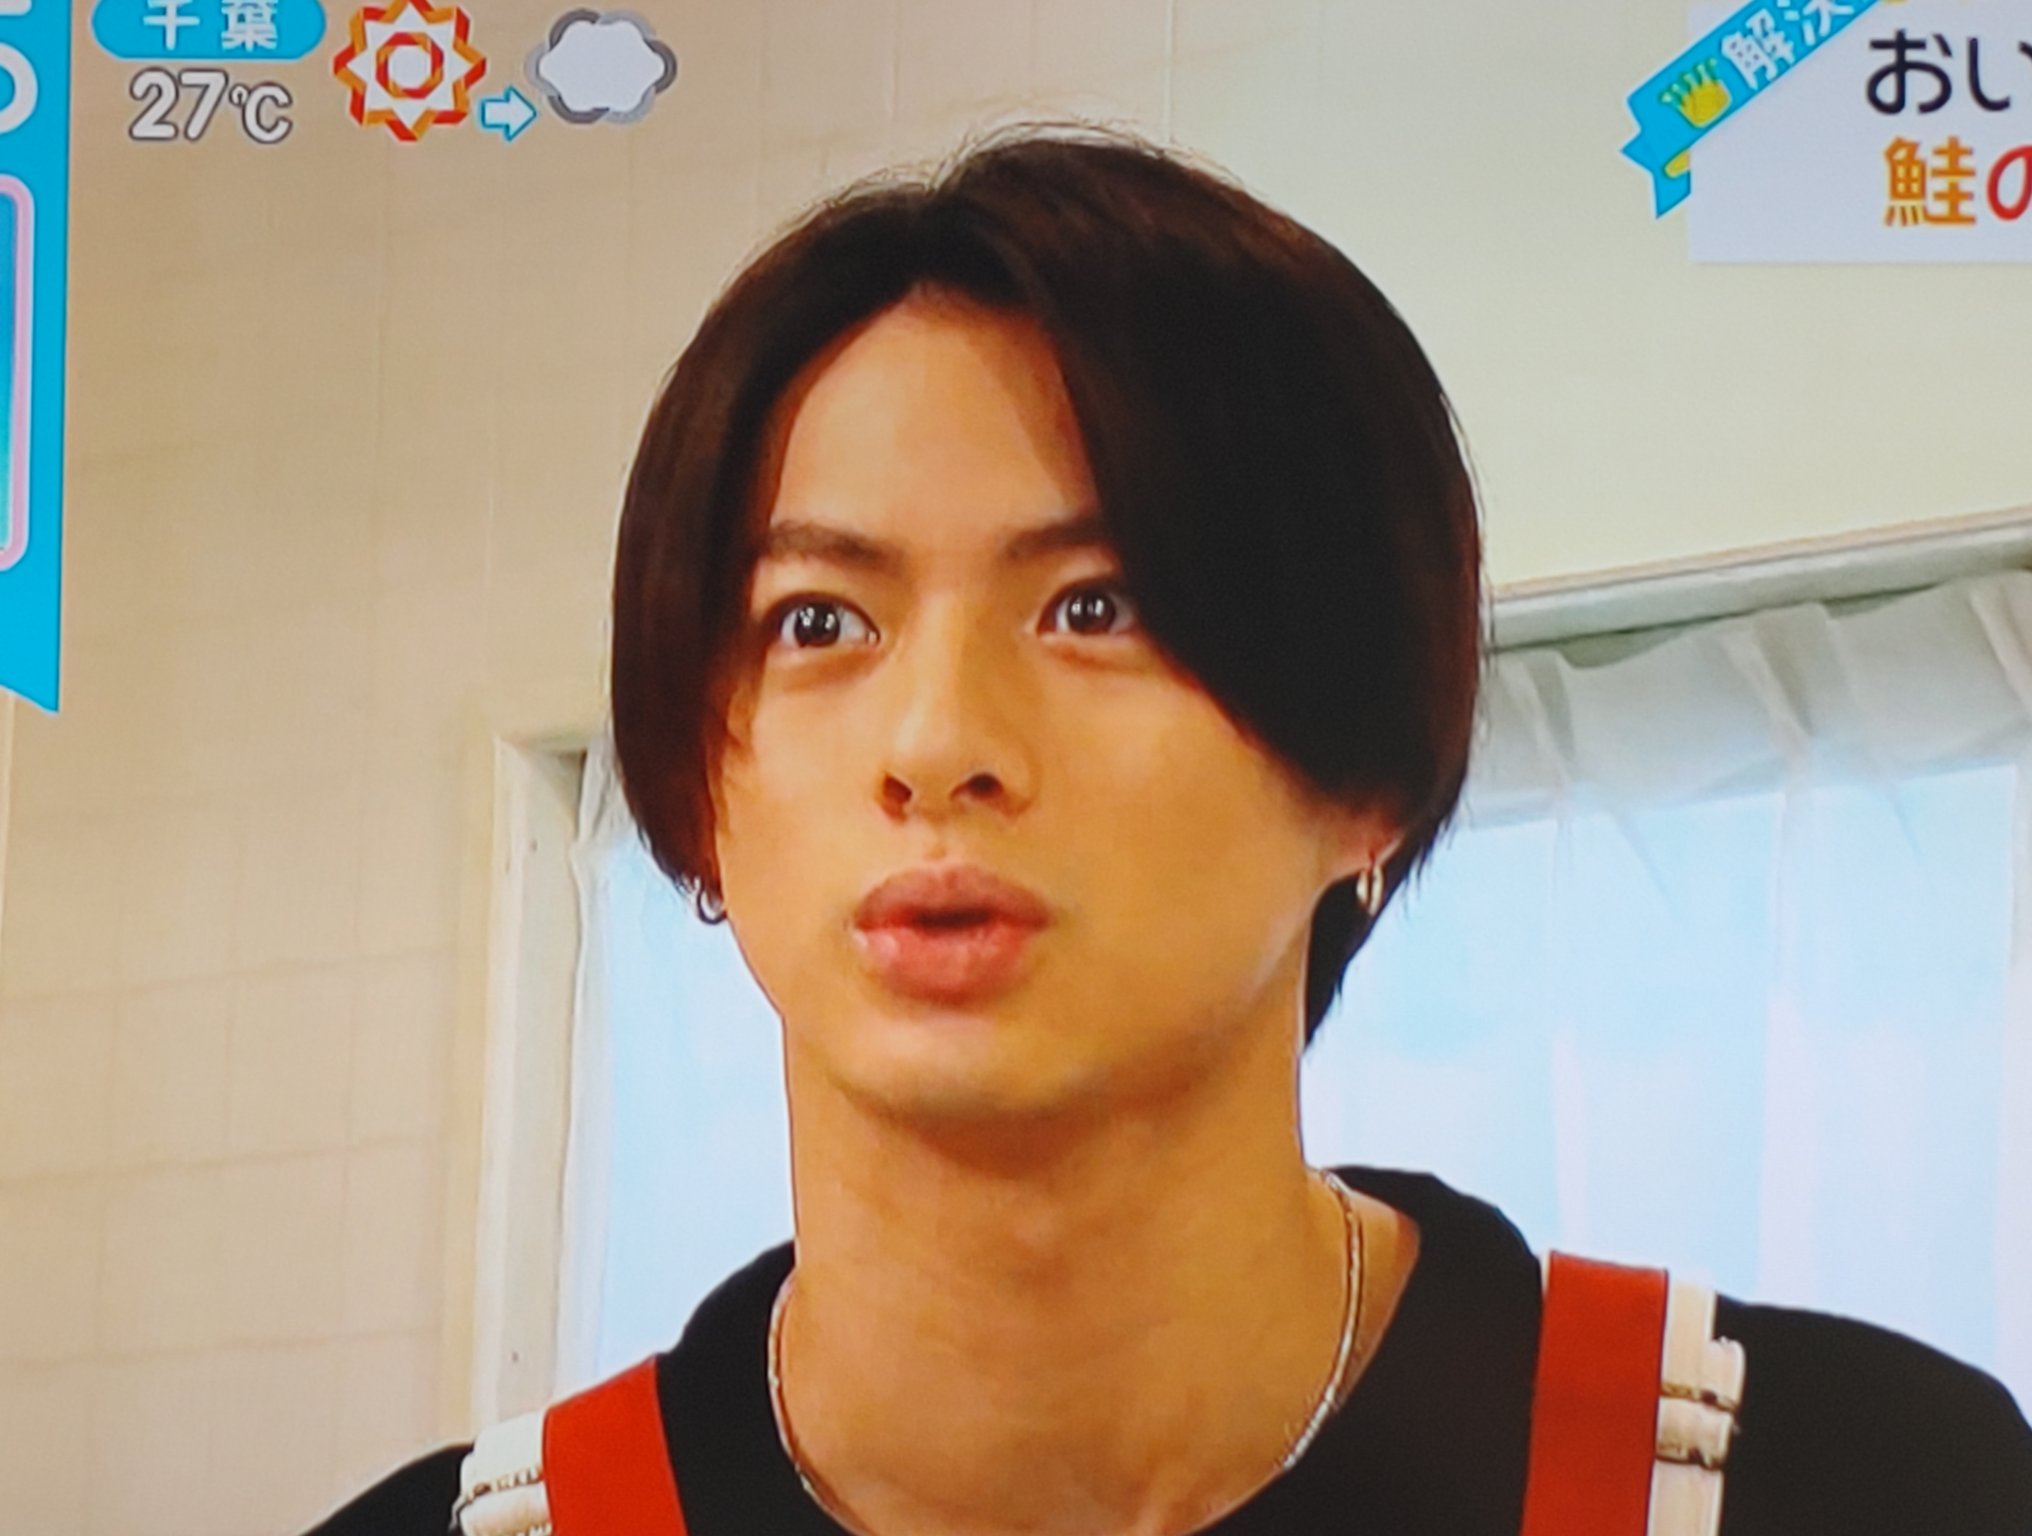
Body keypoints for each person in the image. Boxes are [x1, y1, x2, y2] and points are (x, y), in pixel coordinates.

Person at [308, 125, 2032, 1536]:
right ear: (698, 786)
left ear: (1365, 769)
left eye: (1097, 607)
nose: (938, 745)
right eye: (818, 622)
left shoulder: (1862, 1485)